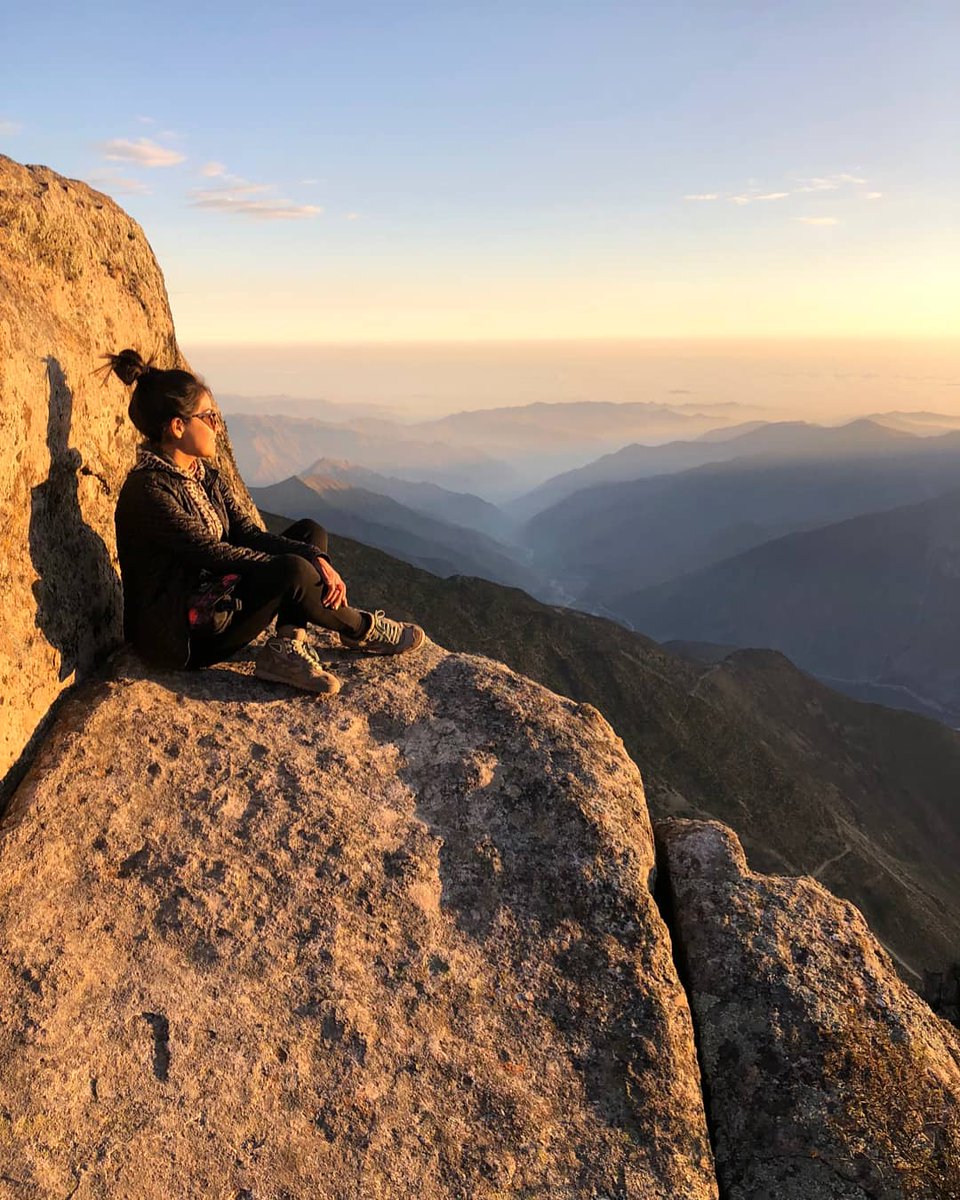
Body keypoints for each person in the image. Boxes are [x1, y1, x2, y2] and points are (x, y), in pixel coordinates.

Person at [107, 349, 425, 695]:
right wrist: (296, 567)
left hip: (216, 598)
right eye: (208, 417)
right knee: (292, 570)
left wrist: (314, 556)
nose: (217, 426)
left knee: (310, 533)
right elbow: (210, 552)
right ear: (177, 426)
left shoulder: (202, 475)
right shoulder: (149, 491)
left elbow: (246, 533)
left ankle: (287, 646)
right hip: (180, 636)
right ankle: (361, 627)